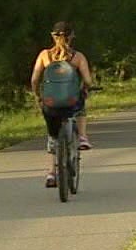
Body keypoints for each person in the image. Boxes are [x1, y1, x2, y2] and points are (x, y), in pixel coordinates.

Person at [31, 21, 94, 187]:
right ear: (72, 36)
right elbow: (87, 80)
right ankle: (81, 137)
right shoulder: (77, 57)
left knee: (53, 135)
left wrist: (38, 95)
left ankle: (51, 173)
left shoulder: (45, 55)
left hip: (51, 103)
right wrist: (85, 89)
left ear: (53, 36)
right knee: (80, 108)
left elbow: (34, 79)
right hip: (71, 101)